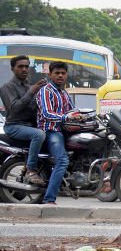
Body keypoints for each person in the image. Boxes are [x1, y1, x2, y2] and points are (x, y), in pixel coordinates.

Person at [35, 62, 85, 205]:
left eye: (63, 73)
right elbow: (46, 114)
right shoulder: (46, 91)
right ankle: (49, 199)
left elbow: (72, 110)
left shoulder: (63, 93)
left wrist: (85, 116)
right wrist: (67, 117)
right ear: (50, 74)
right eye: (57, 73)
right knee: (62, 161)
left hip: (63, 130)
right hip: (51, 131)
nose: (61, 75)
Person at [0, 55, 47, 186]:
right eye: (20, 66)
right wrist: (31, 92)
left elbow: (35, 108)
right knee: (38, 134)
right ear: (13, 69)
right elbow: (14, 109)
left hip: (30, 125)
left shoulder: (29, 86)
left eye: (26, 66)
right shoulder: (7, 87)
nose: (24, 69)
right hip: (14, 126)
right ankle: (31, 170)